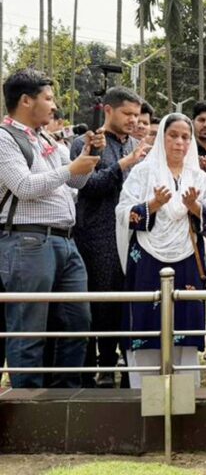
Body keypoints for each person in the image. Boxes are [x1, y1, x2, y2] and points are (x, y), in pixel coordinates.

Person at [0, 68, 101, 388]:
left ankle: (63, 401)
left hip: (64, 241)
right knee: (29, 328)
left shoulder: (46, 139)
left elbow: (75, 183)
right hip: (26, 240)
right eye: (48, 98)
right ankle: (29, 408)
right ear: (26, 100)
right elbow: (24, 186)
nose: (54, 105)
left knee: (77, 322)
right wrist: (71, 167)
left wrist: (88, 157)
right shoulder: (5, 138)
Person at [116, 113, 206, 389]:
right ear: (162, 138)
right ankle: (145, 395)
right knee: (146, 325)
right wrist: (152, 205)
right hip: (146, 259)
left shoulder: (199, 178)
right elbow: (122, 213)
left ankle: (185, 396)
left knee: (184, 328)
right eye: (173, 135)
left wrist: (195, 208)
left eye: (185, 137)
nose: (179, 142)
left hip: (188, 259)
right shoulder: (143, 173)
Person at [70, 86, 149, 389]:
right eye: (127, 114)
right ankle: (94, 370)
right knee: (97, 305)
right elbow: (88, 186)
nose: (133, 120)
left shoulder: (136, 144)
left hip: (131, 235)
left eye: (136, 115)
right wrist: (125, 163)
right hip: (96, 235)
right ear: (108, 110)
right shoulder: (86, 142)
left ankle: (124, 369)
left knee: (124, 305)